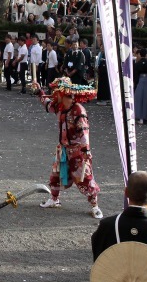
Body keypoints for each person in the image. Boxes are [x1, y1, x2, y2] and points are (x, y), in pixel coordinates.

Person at [39, 77, 102, 218]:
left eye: (56, 92)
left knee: (85, 178)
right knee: (55, 175)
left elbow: (84, 131)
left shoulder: (78, 110)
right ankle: (54, 199)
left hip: (78, 151)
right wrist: (39, 91)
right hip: (63, 149)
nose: (54, 95)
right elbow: (48, 105)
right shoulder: (60, 107)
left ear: (62, 94)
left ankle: (95, 206)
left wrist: (86, 150)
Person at [133, 48, 147, 124]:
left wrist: (135, 83)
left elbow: (135, 75)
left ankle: (141, 118)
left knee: (140, 99)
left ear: (140, 54)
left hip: (140, 81)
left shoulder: (137, 64)